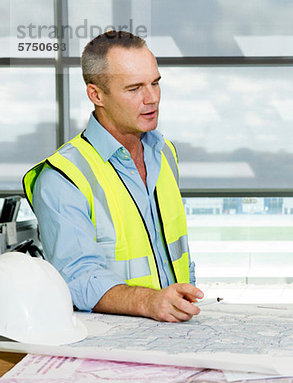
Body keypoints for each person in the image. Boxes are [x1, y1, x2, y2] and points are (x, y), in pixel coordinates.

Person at [22, 31, 202, 322]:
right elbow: (78, 278)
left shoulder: (164, 152)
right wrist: (150, 302)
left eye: (155, 83)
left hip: (175, 334)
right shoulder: (62, 177)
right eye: (134, 89)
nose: (152, 98)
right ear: (96, 95)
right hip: (109, 348)